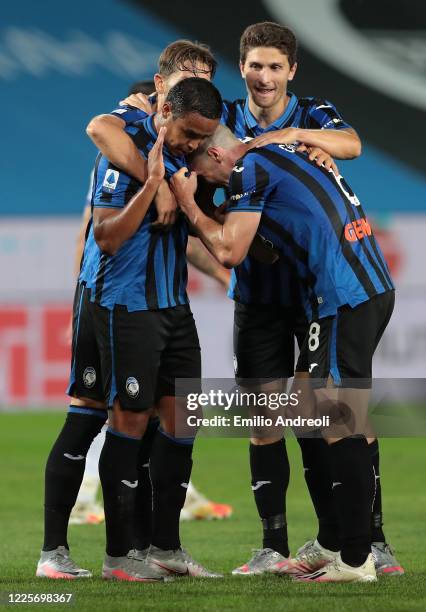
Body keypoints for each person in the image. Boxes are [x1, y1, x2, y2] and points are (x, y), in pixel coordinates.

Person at [87, 25, 401, 577]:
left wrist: (283, 144)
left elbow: (350, 144)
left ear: (291, 72)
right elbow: (111, 126)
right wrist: (160, 167)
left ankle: (364, 549)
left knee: (334, 415)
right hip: (268, 299)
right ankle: (290, 546)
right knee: (276, 416)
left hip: (322, 295)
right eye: (254, 65)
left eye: (275, 67)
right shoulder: (214, 118)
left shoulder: (298, 127)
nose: (264, 76)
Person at [169, 123, 395, 583]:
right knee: (310, 405)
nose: (204, 180)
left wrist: (190, 202)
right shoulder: (282, 153)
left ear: (215, 154)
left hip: (343, 295)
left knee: (337, 422)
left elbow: (230, 251)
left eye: (200, 168)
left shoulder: (250, 167)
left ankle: (356, 559)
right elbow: (269, 247)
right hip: (363, 285)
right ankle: (337, 543)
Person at [36, 77, 223, 581]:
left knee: (184, 419)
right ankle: (118, 555)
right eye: (187, 133)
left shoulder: (190, 154)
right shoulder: (125, 153)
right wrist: (152, 187)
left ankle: (164, 546)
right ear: (164, 109)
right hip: (125, 305)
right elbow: (107, 237)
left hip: (172, 306)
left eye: (200, 139)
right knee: (125, 420)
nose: (191, 144)